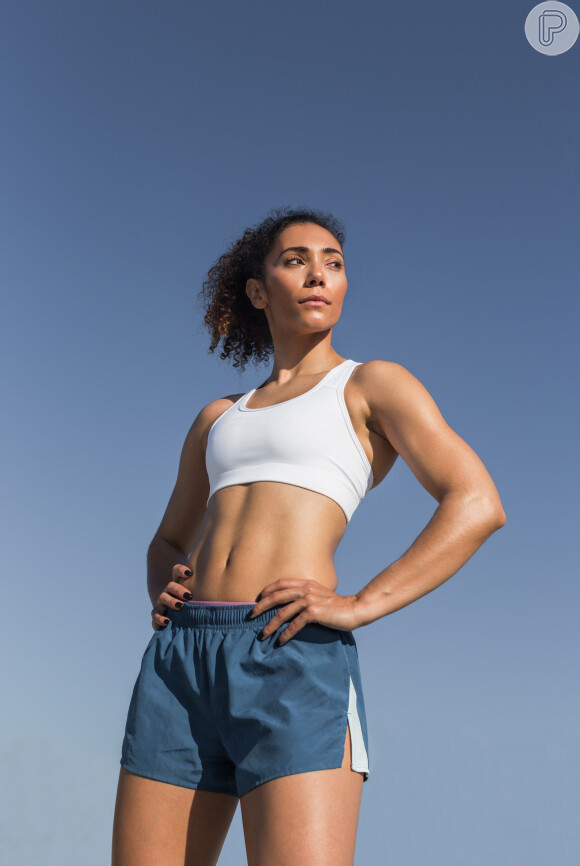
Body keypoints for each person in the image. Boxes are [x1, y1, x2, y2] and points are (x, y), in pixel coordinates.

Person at [111, 206, 506, 866]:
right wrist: (163, 585)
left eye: (334, 263)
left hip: (290, 652)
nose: (318, 274)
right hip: (181, 662)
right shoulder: (218, 418)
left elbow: (476, 503)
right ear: (260, 290)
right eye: (296, 260)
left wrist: (361, 604)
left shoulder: (370, 385)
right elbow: (167, 540)